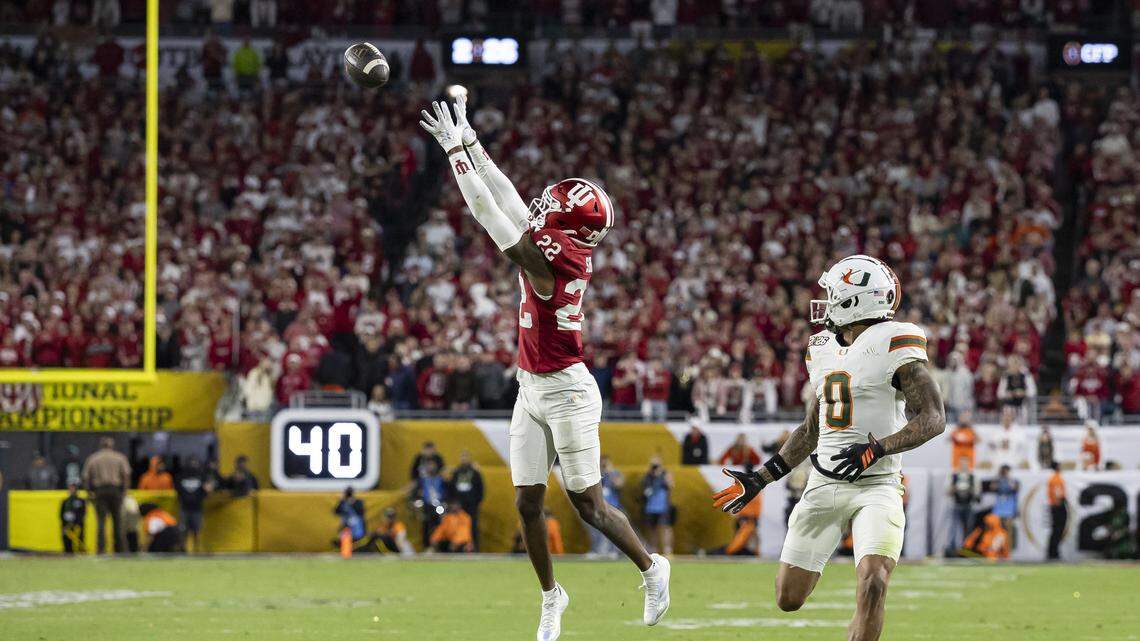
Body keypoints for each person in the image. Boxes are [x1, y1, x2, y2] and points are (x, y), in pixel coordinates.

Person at [419, 96, 669, 640]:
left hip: (567, 391)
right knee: (527, 502)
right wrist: (470, 141)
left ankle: (653, 569)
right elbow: (509, 199)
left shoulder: (555, 260)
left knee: (589, 506)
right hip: (529, 387)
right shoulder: (561, 241)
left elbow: (492, 215)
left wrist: (454, 154)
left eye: (555, 204)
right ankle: (552, 597)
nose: (543, 204)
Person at [713, 255, 946, 641]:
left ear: (857, 300)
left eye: (834, 293)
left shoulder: (895, 341)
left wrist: (878, 449)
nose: (826, 301)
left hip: (878, 486)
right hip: (823, 484)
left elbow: (933, 417)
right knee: (788, 598)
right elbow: (810, 429)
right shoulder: (820, 348)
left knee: (874, 582)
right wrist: (762, 477)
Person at [81, 437, 132, 554]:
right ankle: (120, 550)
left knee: (101, 522)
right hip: (116, 491)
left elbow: (85, 477)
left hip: (100, 491)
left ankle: (101, 550)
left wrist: (89, 492)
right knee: (118, 522)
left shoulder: (93, 458)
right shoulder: (119, 457)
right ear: (112, 445)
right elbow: (126, 475)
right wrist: (124, 491)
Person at [175, 456, 213, 553]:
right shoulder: (181, 476)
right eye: (191, 462)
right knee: (183, 531)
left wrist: (207, 489)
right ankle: (183, 549)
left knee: (197, 530)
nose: (193, 464)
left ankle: (197, 549)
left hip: (197, 508)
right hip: (184, 507)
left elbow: (208, 489)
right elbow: (177, 490)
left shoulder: (202, 475)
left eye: (195, 462)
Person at [449, 450, 484, 550]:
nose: (464, 459)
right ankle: (458, 547)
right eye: (462, 457)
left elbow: (480, 488)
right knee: (457, 526)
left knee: (473, 526)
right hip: (459, 506)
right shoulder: (456, 472)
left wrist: (476, 502)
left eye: (466, 457)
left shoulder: (475, 473)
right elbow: (452, 488)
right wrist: (454, 503)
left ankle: (474, 548)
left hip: (472, 504)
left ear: (470, 458)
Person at [590, 456, 625, 555]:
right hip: (599, 507)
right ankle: (597, 550)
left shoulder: (615, 473)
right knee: (596, 530)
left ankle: (613, 551)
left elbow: (619, 484)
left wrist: (610, 472)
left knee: (614, 530)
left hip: (614, 507)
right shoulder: (596, 475)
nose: (603, 465)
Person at [641, 456, 674, 556]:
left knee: (665, 528)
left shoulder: (665, 474)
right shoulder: (648, 476)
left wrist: (661, 475)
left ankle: (667, 550)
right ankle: (653, 551)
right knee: (652, 530)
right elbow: (645, 490)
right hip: (651, 507)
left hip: (663, 506)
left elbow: (671, 485)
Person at [410, 459, 447, 547]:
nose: (431, 467)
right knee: (426, 526)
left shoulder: (441, 479)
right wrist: (416, 501)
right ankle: (426, 546)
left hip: (439, 506)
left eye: (433, 465)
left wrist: (445, 503)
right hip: (427, 506)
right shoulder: (423, 480)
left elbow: (446, 492)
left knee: (439, 526)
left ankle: (438, 547)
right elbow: (415, 493)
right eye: (429, 465)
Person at [946, 457, 979, 556]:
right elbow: (947, 491)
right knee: (954, 528)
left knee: (968, 528)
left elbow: (977, 493)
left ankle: (967, 548)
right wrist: (955, 488)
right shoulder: (954, 476)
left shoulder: (973, 477)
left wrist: (970, 490)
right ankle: (952, 549)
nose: (964, 466)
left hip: (968, 505)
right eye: (962, 464)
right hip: (956, 504)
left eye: (965, 464)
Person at [988, 465, 1020, 549]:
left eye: (1006, 471)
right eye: (1003, 471)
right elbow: (992, 487)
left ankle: (1008, 551)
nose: (1005, 473)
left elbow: (1015, 488)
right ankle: (997, 550)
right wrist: (997, 476)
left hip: (1009, 508)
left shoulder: (1013, 481)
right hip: (999, 508)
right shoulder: (998, 480)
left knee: (1008, 530)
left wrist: (1009, 478)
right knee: (997, 530)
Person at [1046, 463, 1067, 560]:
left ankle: (1052, 551)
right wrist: (1060, 503)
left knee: (1056, 530)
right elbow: (1058, 493)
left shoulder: (1054, 478)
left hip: (1055, 505)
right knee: (1057, 530)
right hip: (1057, 506)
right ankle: (1053, 552)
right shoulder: (1056, 479)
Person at [60, 481, 86, 554]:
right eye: (70, 488)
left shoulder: (81, 501)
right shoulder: (65, 501)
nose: (71, 490)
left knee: (79, 541)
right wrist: (65, 524)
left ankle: (81, 552)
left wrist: (75, 522)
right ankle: (68, 554)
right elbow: (61, 514)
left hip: (77, 525)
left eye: (73, 488)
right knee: (67, 542)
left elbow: (82, 513)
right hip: (67, 525)